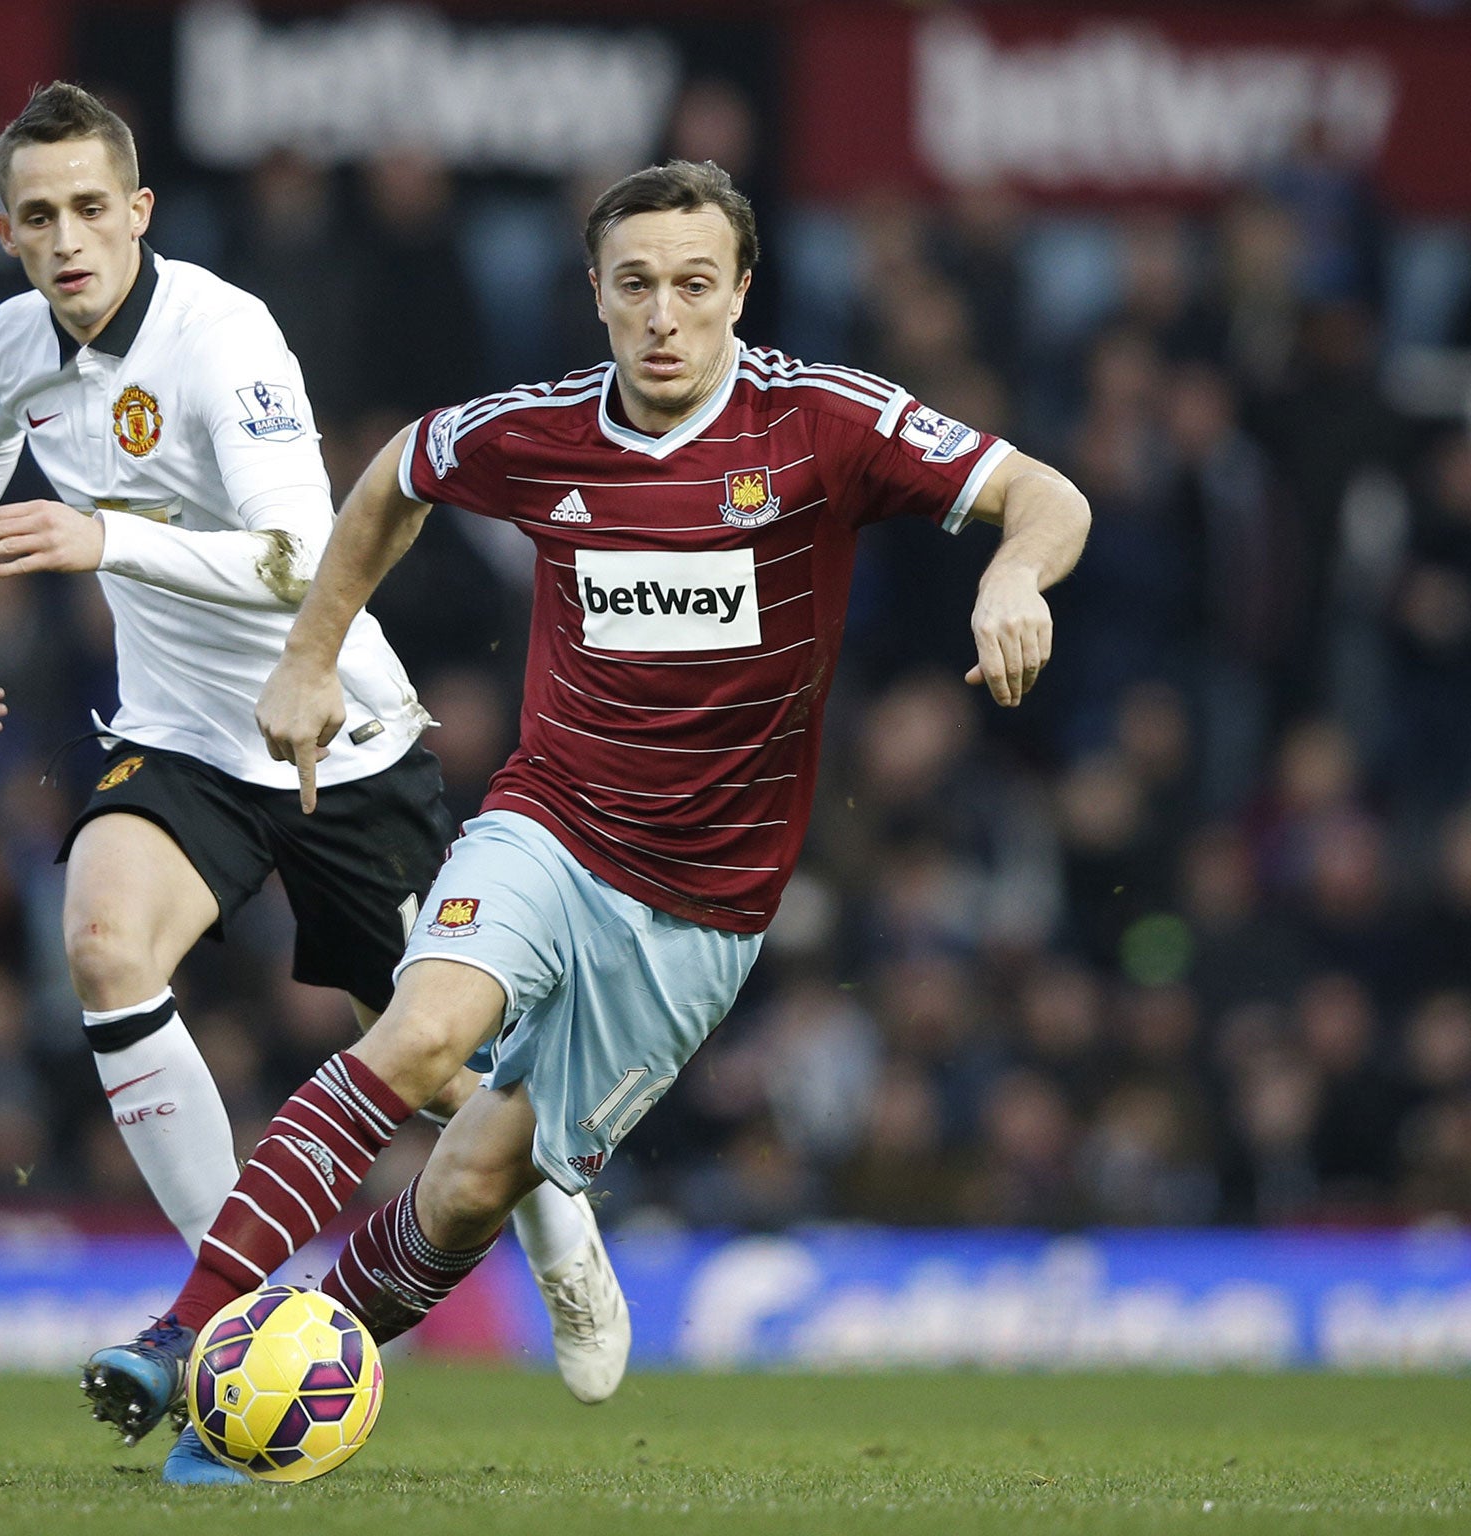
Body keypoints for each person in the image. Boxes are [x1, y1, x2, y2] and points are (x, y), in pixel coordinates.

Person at [82, 159, 1093, 1484]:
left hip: (703, 905)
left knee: (465, 1187)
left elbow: (1048, 492)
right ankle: (187, 1335)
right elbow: (396, 472)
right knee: (423, 1028)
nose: (663, 317)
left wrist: (1014, 572)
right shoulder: (540, 430)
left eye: (691, 286)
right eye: (635, 287)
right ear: (597, 297)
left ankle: (323, 1355)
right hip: (549, 823)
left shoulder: (820, 424)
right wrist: (313, 654)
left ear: (741, 291)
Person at [0, 81, 627, 1419]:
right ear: (6, 229)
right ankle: (227, 1317)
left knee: (442, 1065)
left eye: (93, 211)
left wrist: (103, 538)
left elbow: (306, 558)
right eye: (41, 216)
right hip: (180, 739)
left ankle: (557, 1213)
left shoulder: (225, 337)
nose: (69, 239)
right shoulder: (15, 343)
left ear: (141, 213)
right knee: (106, 945)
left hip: (337, 737)